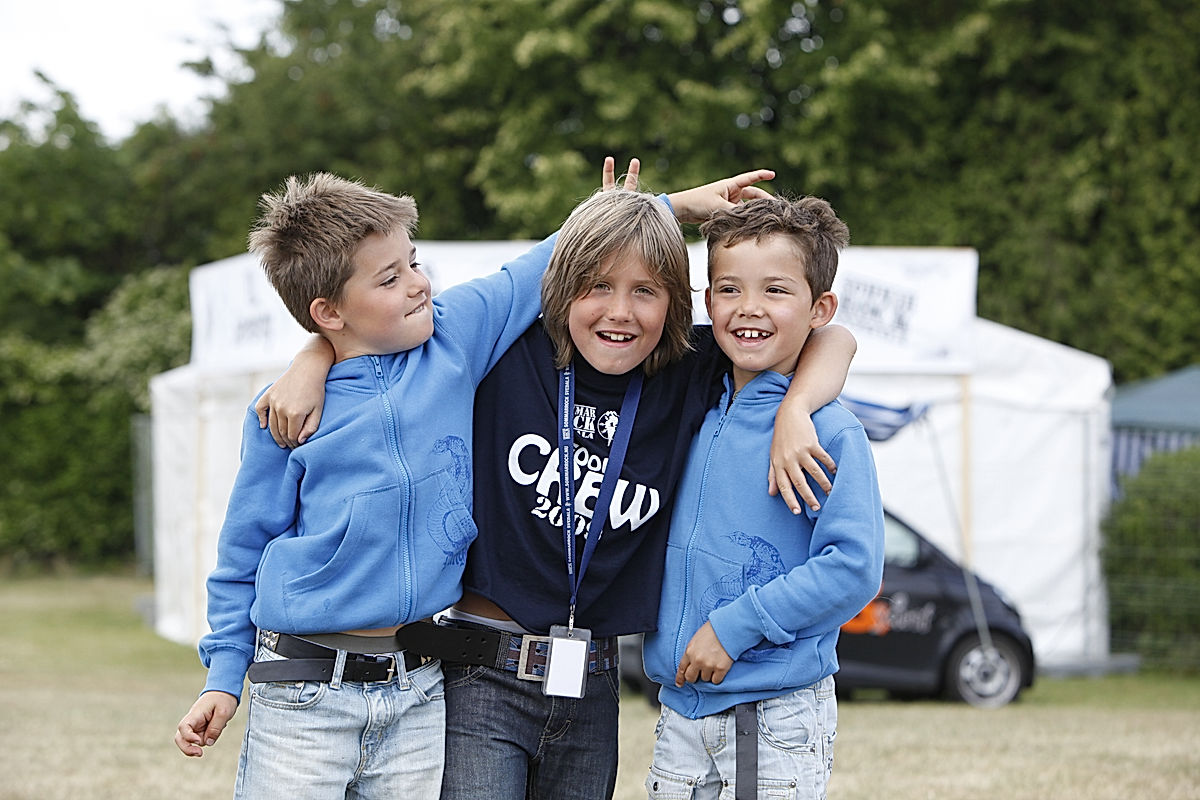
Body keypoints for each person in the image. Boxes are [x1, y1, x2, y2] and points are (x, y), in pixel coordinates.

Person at [259, 179, 857, 800]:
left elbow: (830, 336)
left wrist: (799, 406)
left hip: (593, 683)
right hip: (482, 674)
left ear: (678, 305)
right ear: (563, 290)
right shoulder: (507, 353)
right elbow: (378, 329)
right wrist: (316, 355)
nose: (619, 311)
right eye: (597, 286)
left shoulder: (690, 372)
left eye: (645, 292)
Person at [171, 168, 564, 797]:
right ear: (328, 312)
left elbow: (537, 266)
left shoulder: (454, 338)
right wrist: (222, 674)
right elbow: (243, 550)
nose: (420, 285)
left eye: (413, 263)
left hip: (417, 692)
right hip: (302, 694)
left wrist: (662, 204)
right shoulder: (285, 414)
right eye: (390, 278)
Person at [640, 195, 886, 800]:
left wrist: (734, 628)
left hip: (772, 713)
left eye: (776, 290)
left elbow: (853, 568)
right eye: (728, 289)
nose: (748, 309)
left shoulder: (829, 432)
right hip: (679, 710)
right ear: (706, 300)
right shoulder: (690, 402)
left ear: (819, 307)